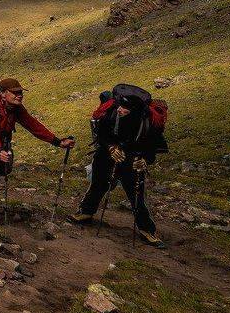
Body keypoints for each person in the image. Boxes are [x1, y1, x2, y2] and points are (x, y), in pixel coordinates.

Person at [0, 77, 76, 220]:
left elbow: (32, 125)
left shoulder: (15, 108)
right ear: (3, 93)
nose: (20, 95)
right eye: (15, 92)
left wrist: (57, 141)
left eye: (21, 93)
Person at [68, 85, 168, 246]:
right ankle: (86, 212)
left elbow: (153, 145)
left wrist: (145, 160)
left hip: (134, 156)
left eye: (124, 108)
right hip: (107, 153)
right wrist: (111, 148)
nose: (120, 110)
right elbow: (101, 134)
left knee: (136, 192)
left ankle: (147, 229)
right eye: (119, 106)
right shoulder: (110, 113)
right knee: (99, 183)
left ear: (134, 110)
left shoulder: (148, 121)